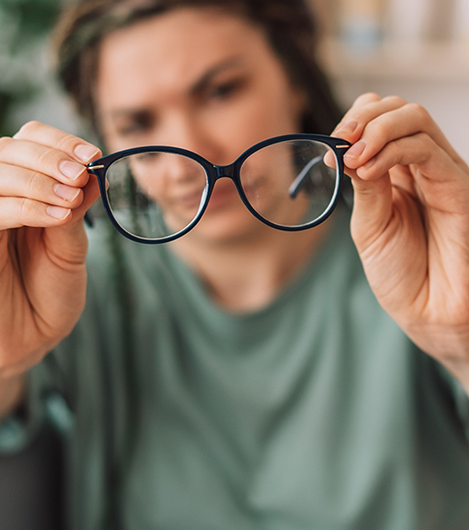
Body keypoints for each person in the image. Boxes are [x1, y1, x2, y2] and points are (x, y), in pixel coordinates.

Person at [0, 0, 469, 528]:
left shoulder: (422, 254)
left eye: (221, 91)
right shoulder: (72, 281)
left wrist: (462, 343)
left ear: (295, 78)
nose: (188, 154)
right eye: (137, 122)